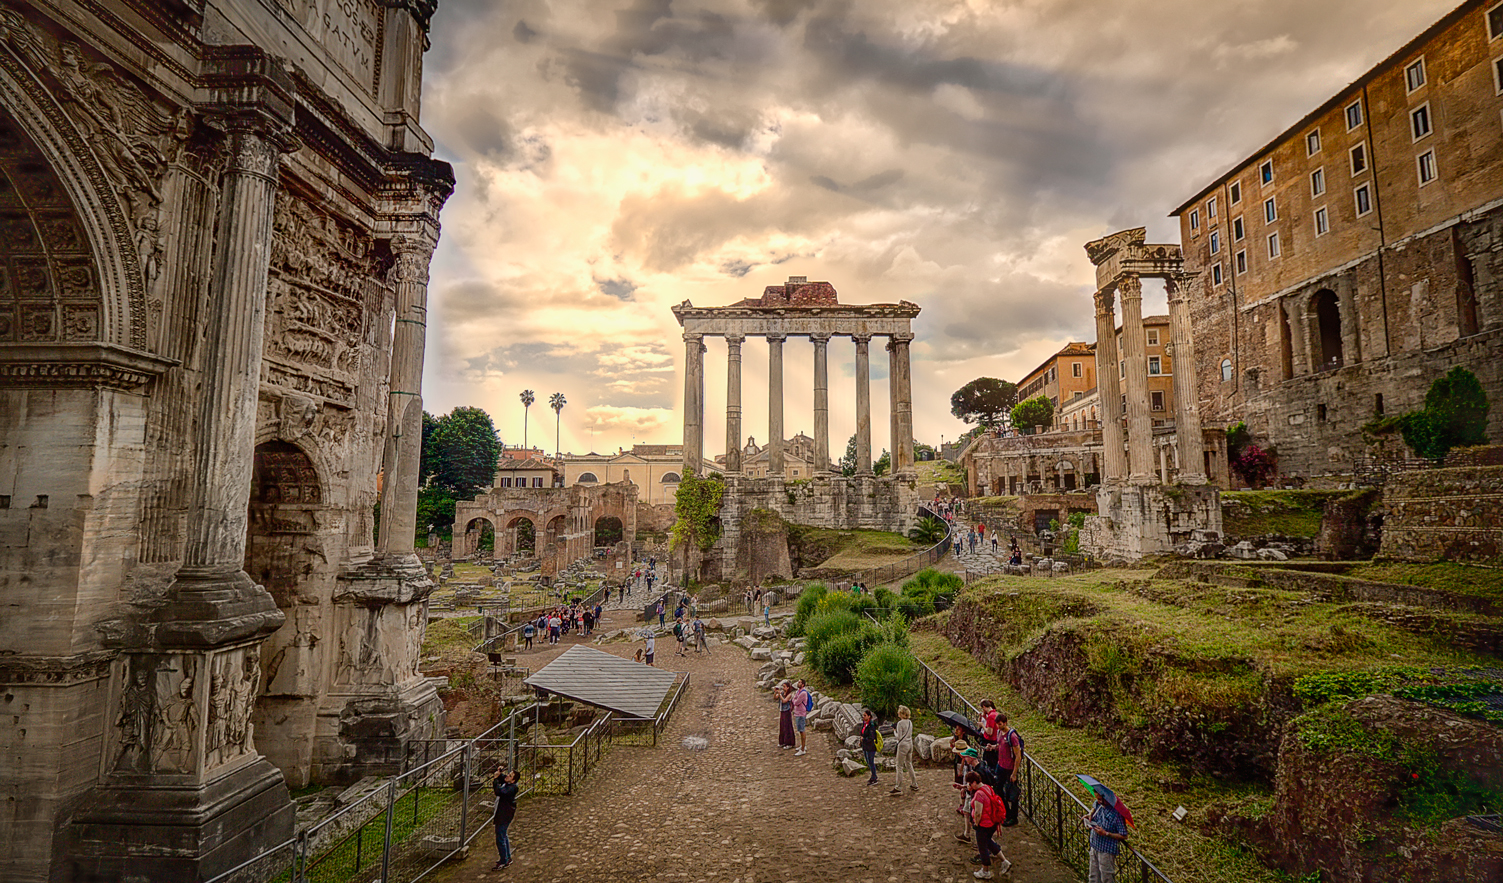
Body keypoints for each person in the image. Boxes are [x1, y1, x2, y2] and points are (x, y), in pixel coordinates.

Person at [965, 771, 1009, 879]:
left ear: (974, 782)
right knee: (989, 842)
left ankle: (985, 871)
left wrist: (976, 823)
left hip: (984, 825)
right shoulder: (986, 787)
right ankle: (1004, 861)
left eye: (970, 784)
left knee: (982, 847)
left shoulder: (979, 794)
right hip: (992, 823)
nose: (969, 786)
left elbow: (978, 812)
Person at [1085, 786, 1129, 883]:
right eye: (1097, 799)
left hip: (1106, 850)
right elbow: (1094, 806)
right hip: (1095, 845)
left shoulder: (1116, 814)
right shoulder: (1099, 804)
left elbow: (1124, 835)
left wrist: (1106, 833)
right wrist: (1090, 815)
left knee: (1107, 878)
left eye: (1100, 799)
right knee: (1093, 876)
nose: (1098, 801)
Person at [995, 713, 1023, 826]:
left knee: (1012, 793)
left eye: (1000, 724)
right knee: (998, 789)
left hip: (1009, 768)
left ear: (1005, 723)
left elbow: (1018, 756)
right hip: (1000, 765)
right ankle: (1006, 812)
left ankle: (1013, 817)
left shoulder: (1012, 736)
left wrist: (1014, 773)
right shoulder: (999, 732)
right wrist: (993, 747)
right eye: (997, 724)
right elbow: (1000, 745)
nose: (998, 726)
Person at [492, 768, 519, 871]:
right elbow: (503, 777)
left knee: (500, 837)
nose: (507, 776)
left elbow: (499, 792)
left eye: (510, 776)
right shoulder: (509, 784)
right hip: (504, 814)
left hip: (504, 815)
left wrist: (495, 780)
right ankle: (507, 857)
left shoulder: (511, 788)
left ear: (513, 781)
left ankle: (504, 860)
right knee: (503, 835)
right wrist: (499, 773)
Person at [953, 742, 980, 843]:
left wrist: (964, 787)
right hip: (970, 791)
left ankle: (969, 835)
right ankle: (966, 834)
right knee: (966, 812)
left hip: (972, 792)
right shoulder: (967, 761)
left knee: (972, 814)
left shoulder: (970, 764)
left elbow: (970, 778)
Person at [889, 705, 917, 795]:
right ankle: (914, 783)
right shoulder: (910, 722)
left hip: (903, 745)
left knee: (899, 766)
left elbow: (899, 737)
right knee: (909, 764)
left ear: (901, 713)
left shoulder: (900, 723)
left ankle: (898, 787)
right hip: (910, 744)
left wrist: (894, 731)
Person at [858, 708, 880, 785]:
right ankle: (873, 776)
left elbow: (871, 738)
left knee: (871, 762)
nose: (863, 717)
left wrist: (863, 739)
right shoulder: (864, 724)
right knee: (868, 762)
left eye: (865, 715)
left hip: (870, 747)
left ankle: (874, 777)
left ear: (869, 716)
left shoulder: (871, 726)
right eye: (863, 715)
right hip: (865, 746)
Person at [792, 679, 811, 756]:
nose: (798, 683)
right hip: (798, 713)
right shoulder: (798, 692)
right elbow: (795, 698)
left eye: (800, 682)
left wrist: (794, 700)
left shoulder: (803, 693)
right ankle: (802, 745)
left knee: (802, 730)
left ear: (803, 684)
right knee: (800, 730)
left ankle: (803, 748)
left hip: (801, 713)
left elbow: (796, 702)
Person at [776, 681, 796, 750]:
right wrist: (776, 693)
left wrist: (780, 695)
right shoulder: (782, 693)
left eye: (784, 687)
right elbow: (775, 697)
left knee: (787, 726)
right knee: (782, 726)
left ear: (788, 687)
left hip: (787, 711)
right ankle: (782, 741)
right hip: (782, 711)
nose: (783, 688)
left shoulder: (789, 695)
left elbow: (785, 701)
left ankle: (789, 742)